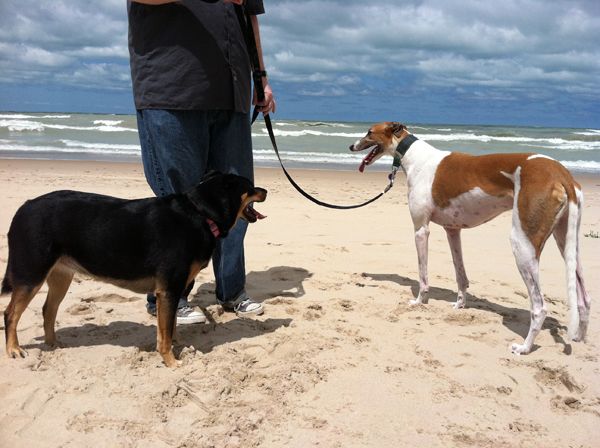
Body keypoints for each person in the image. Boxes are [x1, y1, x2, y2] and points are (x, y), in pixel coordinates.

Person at [127, 0, 275, 324]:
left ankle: (232, 290)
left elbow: (248, 14)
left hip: (232, 89)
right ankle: (171, 295)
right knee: (179, 206)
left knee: (238, 200)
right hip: (171, 86)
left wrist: (260, 75)